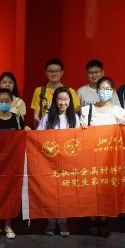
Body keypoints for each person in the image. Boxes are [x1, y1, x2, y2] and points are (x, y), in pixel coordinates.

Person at [80, 76, 125, 237]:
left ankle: (104, 219)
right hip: (91, 157)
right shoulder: (87, 110)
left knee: (106, 187)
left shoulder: (118, 111)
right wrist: (82, 128)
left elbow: (123, 134)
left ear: (112, 91)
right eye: (102, 89)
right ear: (97, 90)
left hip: (110, 158)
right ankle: (93, 219)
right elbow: (82, 135)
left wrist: (123, 126)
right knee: (93, 188)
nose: (105, 92)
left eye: (108, 89)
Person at [0, 88, 29, 239]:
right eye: (1, 101)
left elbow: (22, 138)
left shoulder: (18, 119)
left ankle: (8, 225)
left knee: (11, 193)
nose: (4, 103)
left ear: (12, 102)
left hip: (13, 163)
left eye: (7, 101)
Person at [36, 86, 80, 237]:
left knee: (65, 193)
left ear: (70, 101)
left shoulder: (74, 118)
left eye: (66, 99)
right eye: (60, 99)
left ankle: (62, 221)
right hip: (50, 162)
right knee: (51, 192)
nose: (63, 102)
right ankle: (51, 221)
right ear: (55, 100)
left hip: (67, 162)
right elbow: (39, 137)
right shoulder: (47, 117)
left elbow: (79, 139)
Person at [30, 58, 81, 128]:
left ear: (62, 73)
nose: (54, 74)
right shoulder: (39, 91)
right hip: (46, 129)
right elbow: (36, 117)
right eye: (50, 71)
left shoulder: (70, 91)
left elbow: (75, 114)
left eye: (57, 71)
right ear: (46, 73)